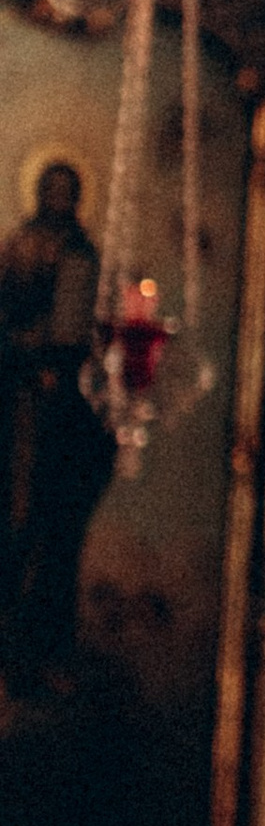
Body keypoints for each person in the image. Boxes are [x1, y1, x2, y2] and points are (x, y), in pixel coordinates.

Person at [0, 162, 115, 688]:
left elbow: (77, 334)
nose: (58, 198)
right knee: (14, 524)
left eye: (67, 191)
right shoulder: (18, 245)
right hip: (16, 398)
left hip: (60, 412)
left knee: (50, 530)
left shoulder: (83, 255)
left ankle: (42, 651)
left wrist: (54, 359)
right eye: (51, 189)